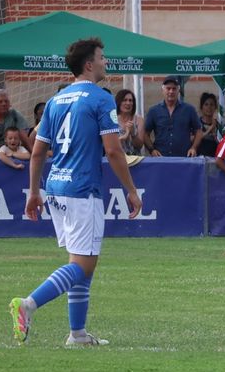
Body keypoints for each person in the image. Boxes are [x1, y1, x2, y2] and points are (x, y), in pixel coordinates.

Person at [10, 37, 142, 347]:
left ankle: (78, 334)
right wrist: (131, 190)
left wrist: (34, 192)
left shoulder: (56, 100)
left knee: (82, 261)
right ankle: (28, 305)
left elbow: (39, 151)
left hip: (56, 187)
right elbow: (113, 151)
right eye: (102, 57)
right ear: (89, 64)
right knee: (83, 264)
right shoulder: (100, 99)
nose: (106, 62)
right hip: (83, 189)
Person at [144, 76, 202, 157]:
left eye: (174, 88)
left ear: (178, 90)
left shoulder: (189, 110)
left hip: (183, 158)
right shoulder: (153, 111)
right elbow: (145, 133)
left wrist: (194, 148)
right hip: (161, 158)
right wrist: (152, 150)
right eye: (168, 88)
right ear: (162, 90)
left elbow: (198, 131)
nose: (171, 91)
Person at [113, 88, 143, 158]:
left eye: (130, 100)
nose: (128, 103)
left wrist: (133, 133)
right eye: (124, 100)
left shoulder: (139, 120)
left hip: (135, 159)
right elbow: (109, 144)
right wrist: (125, 136)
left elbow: (139, 146)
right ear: (119, 102)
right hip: (116, 159)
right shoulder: (112, 119)